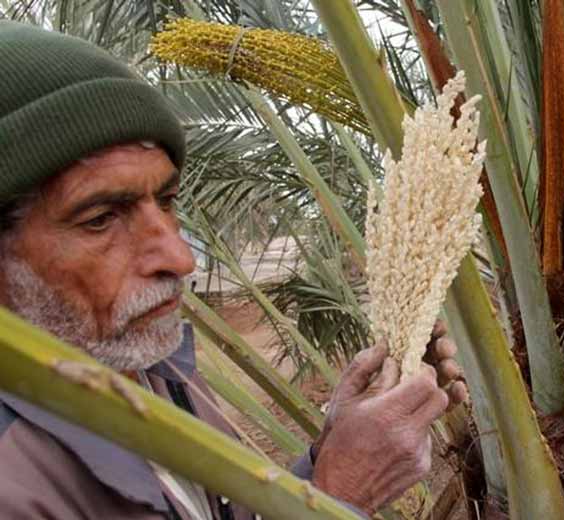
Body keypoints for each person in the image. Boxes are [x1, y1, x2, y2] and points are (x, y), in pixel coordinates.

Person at [0, 21, 467, 519]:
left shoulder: (152, 372)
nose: (182, 259)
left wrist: (326, 454)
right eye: (100, 219)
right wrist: (339, 494)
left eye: (167, 199)